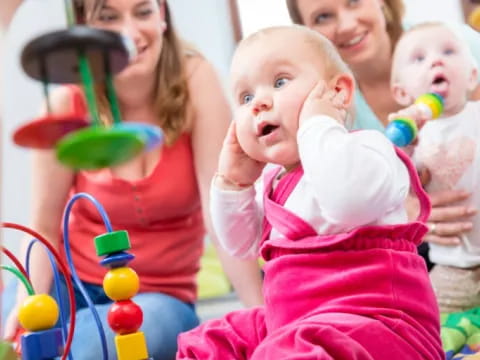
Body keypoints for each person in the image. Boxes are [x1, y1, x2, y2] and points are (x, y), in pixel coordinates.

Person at [1, 0, 264, 358]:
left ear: (163, 18)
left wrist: (261, 314)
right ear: (84, 28)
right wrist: (28, 300)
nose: (129, 31)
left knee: (86, 351)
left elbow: (221, 211)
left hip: (158, 296)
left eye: (142, 12)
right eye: (108, 17)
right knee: (13, 342)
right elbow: (43, 228)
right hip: (67, 283)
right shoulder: (65, 104)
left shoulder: (195, 81)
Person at [176, 25, 443, 359]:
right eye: (245, 97)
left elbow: (346, 202)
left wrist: (319, 123)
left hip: (380, 326)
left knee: (289, 349)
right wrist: (234, 183)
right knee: (215, 340)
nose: (259, 102)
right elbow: (239, 244)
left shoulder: (367, 149)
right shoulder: (272, 182)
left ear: (338, 93)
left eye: (280, 81)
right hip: (291, 323)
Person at [286, 0, 480, 270]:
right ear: (307, 32)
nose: (347, 24)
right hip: (406, 247)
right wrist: (407, 213)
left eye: (353, 2)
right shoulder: (322, 105)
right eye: (323, 17)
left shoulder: (457, 47)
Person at [388, 22, 480, 313]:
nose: (435, 61)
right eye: (419, 59)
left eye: (449, 51)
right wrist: (402, 147)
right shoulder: (412, 139)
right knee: (425, 316)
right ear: (402, 93)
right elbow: (394, 188)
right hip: (452, 263)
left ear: (473, 76)